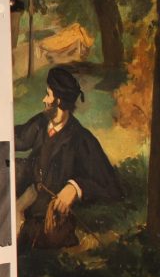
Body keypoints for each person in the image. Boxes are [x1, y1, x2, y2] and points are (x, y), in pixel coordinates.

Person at [14, 66, 123, 250]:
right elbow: (19, 138)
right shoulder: (42, 123)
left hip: (51, 227)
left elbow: (112, 188)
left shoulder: (81, 140)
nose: (44, 100)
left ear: (59, 101)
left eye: (48, 95)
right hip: (25, 205)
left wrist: (75, 188)